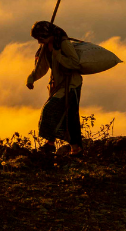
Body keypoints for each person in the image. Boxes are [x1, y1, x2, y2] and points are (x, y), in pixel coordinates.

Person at [27, 20, 83, 155]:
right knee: (61, 116)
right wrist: (31, 78)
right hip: (57, 86)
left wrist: (58, 55)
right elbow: (42, 66)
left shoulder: (63, 44)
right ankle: (57, 145)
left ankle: (70, 147)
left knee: (58, 113)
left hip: (70, 85)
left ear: (48, 34)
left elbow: (75, 63)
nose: (39, 41)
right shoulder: (46, 47)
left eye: (41, 38)